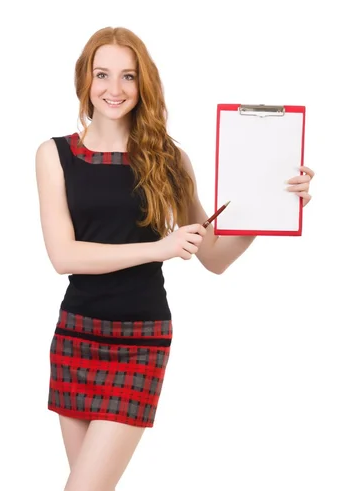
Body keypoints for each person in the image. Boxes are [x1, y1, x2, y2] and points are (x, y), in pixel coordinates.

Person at [34, 26, 314, 491]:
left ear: (144, 85)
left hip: (141, 340)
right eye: (103, 75)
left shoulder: (168, 158)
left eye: (128, 77)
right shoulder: (55, 154)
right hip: (76, 335)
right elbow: (64, 256)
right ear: (85, 79)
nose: (114, 89)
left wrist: (273, 205)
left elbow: (215, 256)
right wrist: (160, 247)